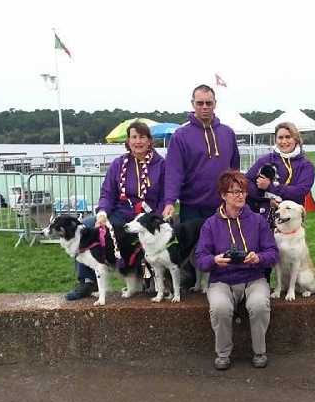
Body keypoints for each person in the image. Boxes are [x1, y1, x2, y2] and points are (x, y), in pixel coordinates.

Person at [64, 121, 165, 300]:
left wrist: (159, 216)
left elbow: (167, 195)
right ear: (128, 140)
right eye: (134, 137)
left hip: (147, 218)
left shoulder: (161, 165)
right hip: (120, 215)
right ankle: (87, 281)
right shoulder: (119, 164)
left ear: (149, 140)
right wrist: (102, 213)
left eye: (142, 137)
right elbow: (107, 193)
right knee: (86, 226)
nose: (138, 141)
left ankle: (156, 281)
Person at [195, 170, 279, 370]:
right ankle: (223, 353)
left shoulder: (258, 221)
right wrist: (215, 260)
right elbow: (200, 259)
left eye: (243, 191)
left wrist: (258, 257)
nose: (240, 196)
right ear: (223, 195)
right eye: (234, 192)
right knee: (220, 307)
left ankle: (260, 351)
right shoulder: (211, 224)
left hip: (253, 277)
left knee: (259, 304)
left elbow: (273, 253)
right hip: (221, 279)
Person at [162, 85, 240, 223]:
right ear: (193, 104)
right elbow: (174, 172)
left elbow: (235, 170)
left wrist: (236, 195)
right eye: (200, 103)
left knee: (224, 245)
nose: (204, 107)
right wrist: (170, 201)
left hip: (222, 205)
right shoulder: (180, 136)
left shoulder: (227, 133)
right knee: (194, 245)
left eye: (209, 103)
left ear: (215, 104)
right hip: (192, 208)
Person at [245, 121, 315, 227]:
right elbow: (246, 181)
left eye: (288, 137)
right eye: (280, 137)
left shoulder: (306, 165)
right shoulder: (266, 159)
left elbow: (300, 191)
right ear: (276, 140)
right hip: (265, 216)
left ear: (296, 139)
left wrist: (270, 187)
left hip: (292, 220)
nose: (284, 141)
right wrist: (266, 198)